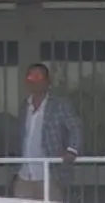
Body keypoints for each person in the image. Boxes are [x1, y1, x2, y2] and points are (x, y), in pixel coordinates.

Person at [13, 63, 82, 201]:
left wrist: (72, 150)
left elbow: (76, 127)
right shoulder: (24, 106)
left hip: (51, 175)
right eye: (30, 77)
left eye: (38, 76)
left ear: (47, 81)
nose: (34, 81)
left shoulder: (59, 105)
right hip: (25, 174)